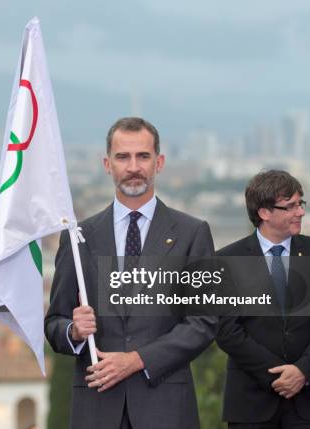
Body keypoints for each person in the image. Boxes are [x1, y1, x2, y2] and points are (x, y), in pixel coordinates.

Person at [45, 117, 217, 429]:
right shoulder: (78, 236)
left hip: (166, 409)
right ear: (107, 164)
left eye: (143, 156)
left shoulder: (193, 233)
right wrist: (73, 331)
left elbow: (203, 322)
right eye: (123, 157)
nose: (133, 166)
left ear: (159, 162)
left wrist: (137, 360)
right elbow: (54, 323)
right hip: (97, 408)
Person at [216, 170, 310, 428]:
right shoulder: (226, 260)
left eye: (301, 203)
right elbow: (226, 330)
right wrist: (278, 375)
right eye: (290, 206)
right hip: (251, 404)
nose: (300, 212)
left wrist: (302, 372)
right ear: (264, 213)